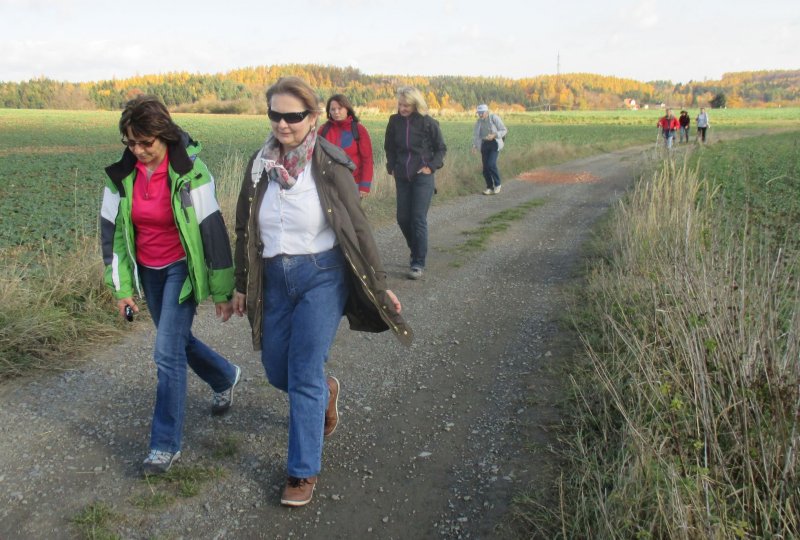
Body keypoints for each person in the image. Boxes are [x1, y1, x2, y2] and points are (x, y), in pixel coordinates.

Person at [233, 76, 412, 508]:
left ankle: (301, 470)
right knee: (279, 371)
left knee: (304, 366)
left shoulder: (328, 162)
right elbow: (243, 226)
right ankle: (326, 391)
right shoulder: (259, 166)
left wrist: (380, 284)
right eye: (275, 114)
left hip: (322, 274)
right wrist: (240, 285)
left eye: (293, 116)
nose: (282, 123)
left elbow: (358, 226)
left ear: (311, 117)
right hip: (275, 277)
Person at [100, 95, 241, 475]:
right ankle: (225, 375)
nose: (139, 150)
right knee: (175, 340)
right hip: (148, 270)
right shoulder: (120, 177)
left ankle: (164, 447)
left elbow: (212, 231)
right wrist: (122, 288)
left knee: (166, 354)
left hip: (182, 269)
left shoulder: (191, 171)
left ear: (164, 135)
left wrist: (222, 289)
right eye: (131, 143)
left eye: (147, 142)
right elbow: (112, 235)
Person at [384, 86, 447, 280]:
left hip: (423, 176)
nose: (402, 108)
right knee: (403, 218)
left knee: (418, 218)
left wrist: (431, 167)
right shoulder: (394, 122)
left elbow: (441, 149)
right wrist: (392, 166)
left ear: (416, 104)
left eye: (406, 105)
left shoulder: (428, 123)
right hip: (402, 175)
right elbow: (390, 147)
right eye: (400, 105)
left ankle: (418, 262)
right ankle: (417, 248)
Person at [318, 94, 374, 198]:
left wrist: (364, 185)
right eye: (333, 109)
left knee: (351, 214)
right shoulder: (323, 130)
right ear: (328, 112)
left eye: (340, 108)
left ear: (347, 109)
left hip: (353, 183)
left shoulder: (359, 130)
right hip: (329, 183)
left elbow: (367, 159)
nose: (336, 112)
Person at [472, 103, 508, 195]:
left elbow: (504, 130)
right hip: (484, 145)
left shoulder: (494, 118)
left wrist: (494, 135)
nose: (480, 114)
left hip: (494, 143)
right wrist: (474, 146)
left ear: (487, 112)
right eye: (478, 113)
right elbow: (476, 136)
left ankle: (497, 184)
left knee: (491, 164)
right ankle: (489, 187)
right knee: (485, 168)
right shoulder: (479, 122)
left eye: (482, 112)